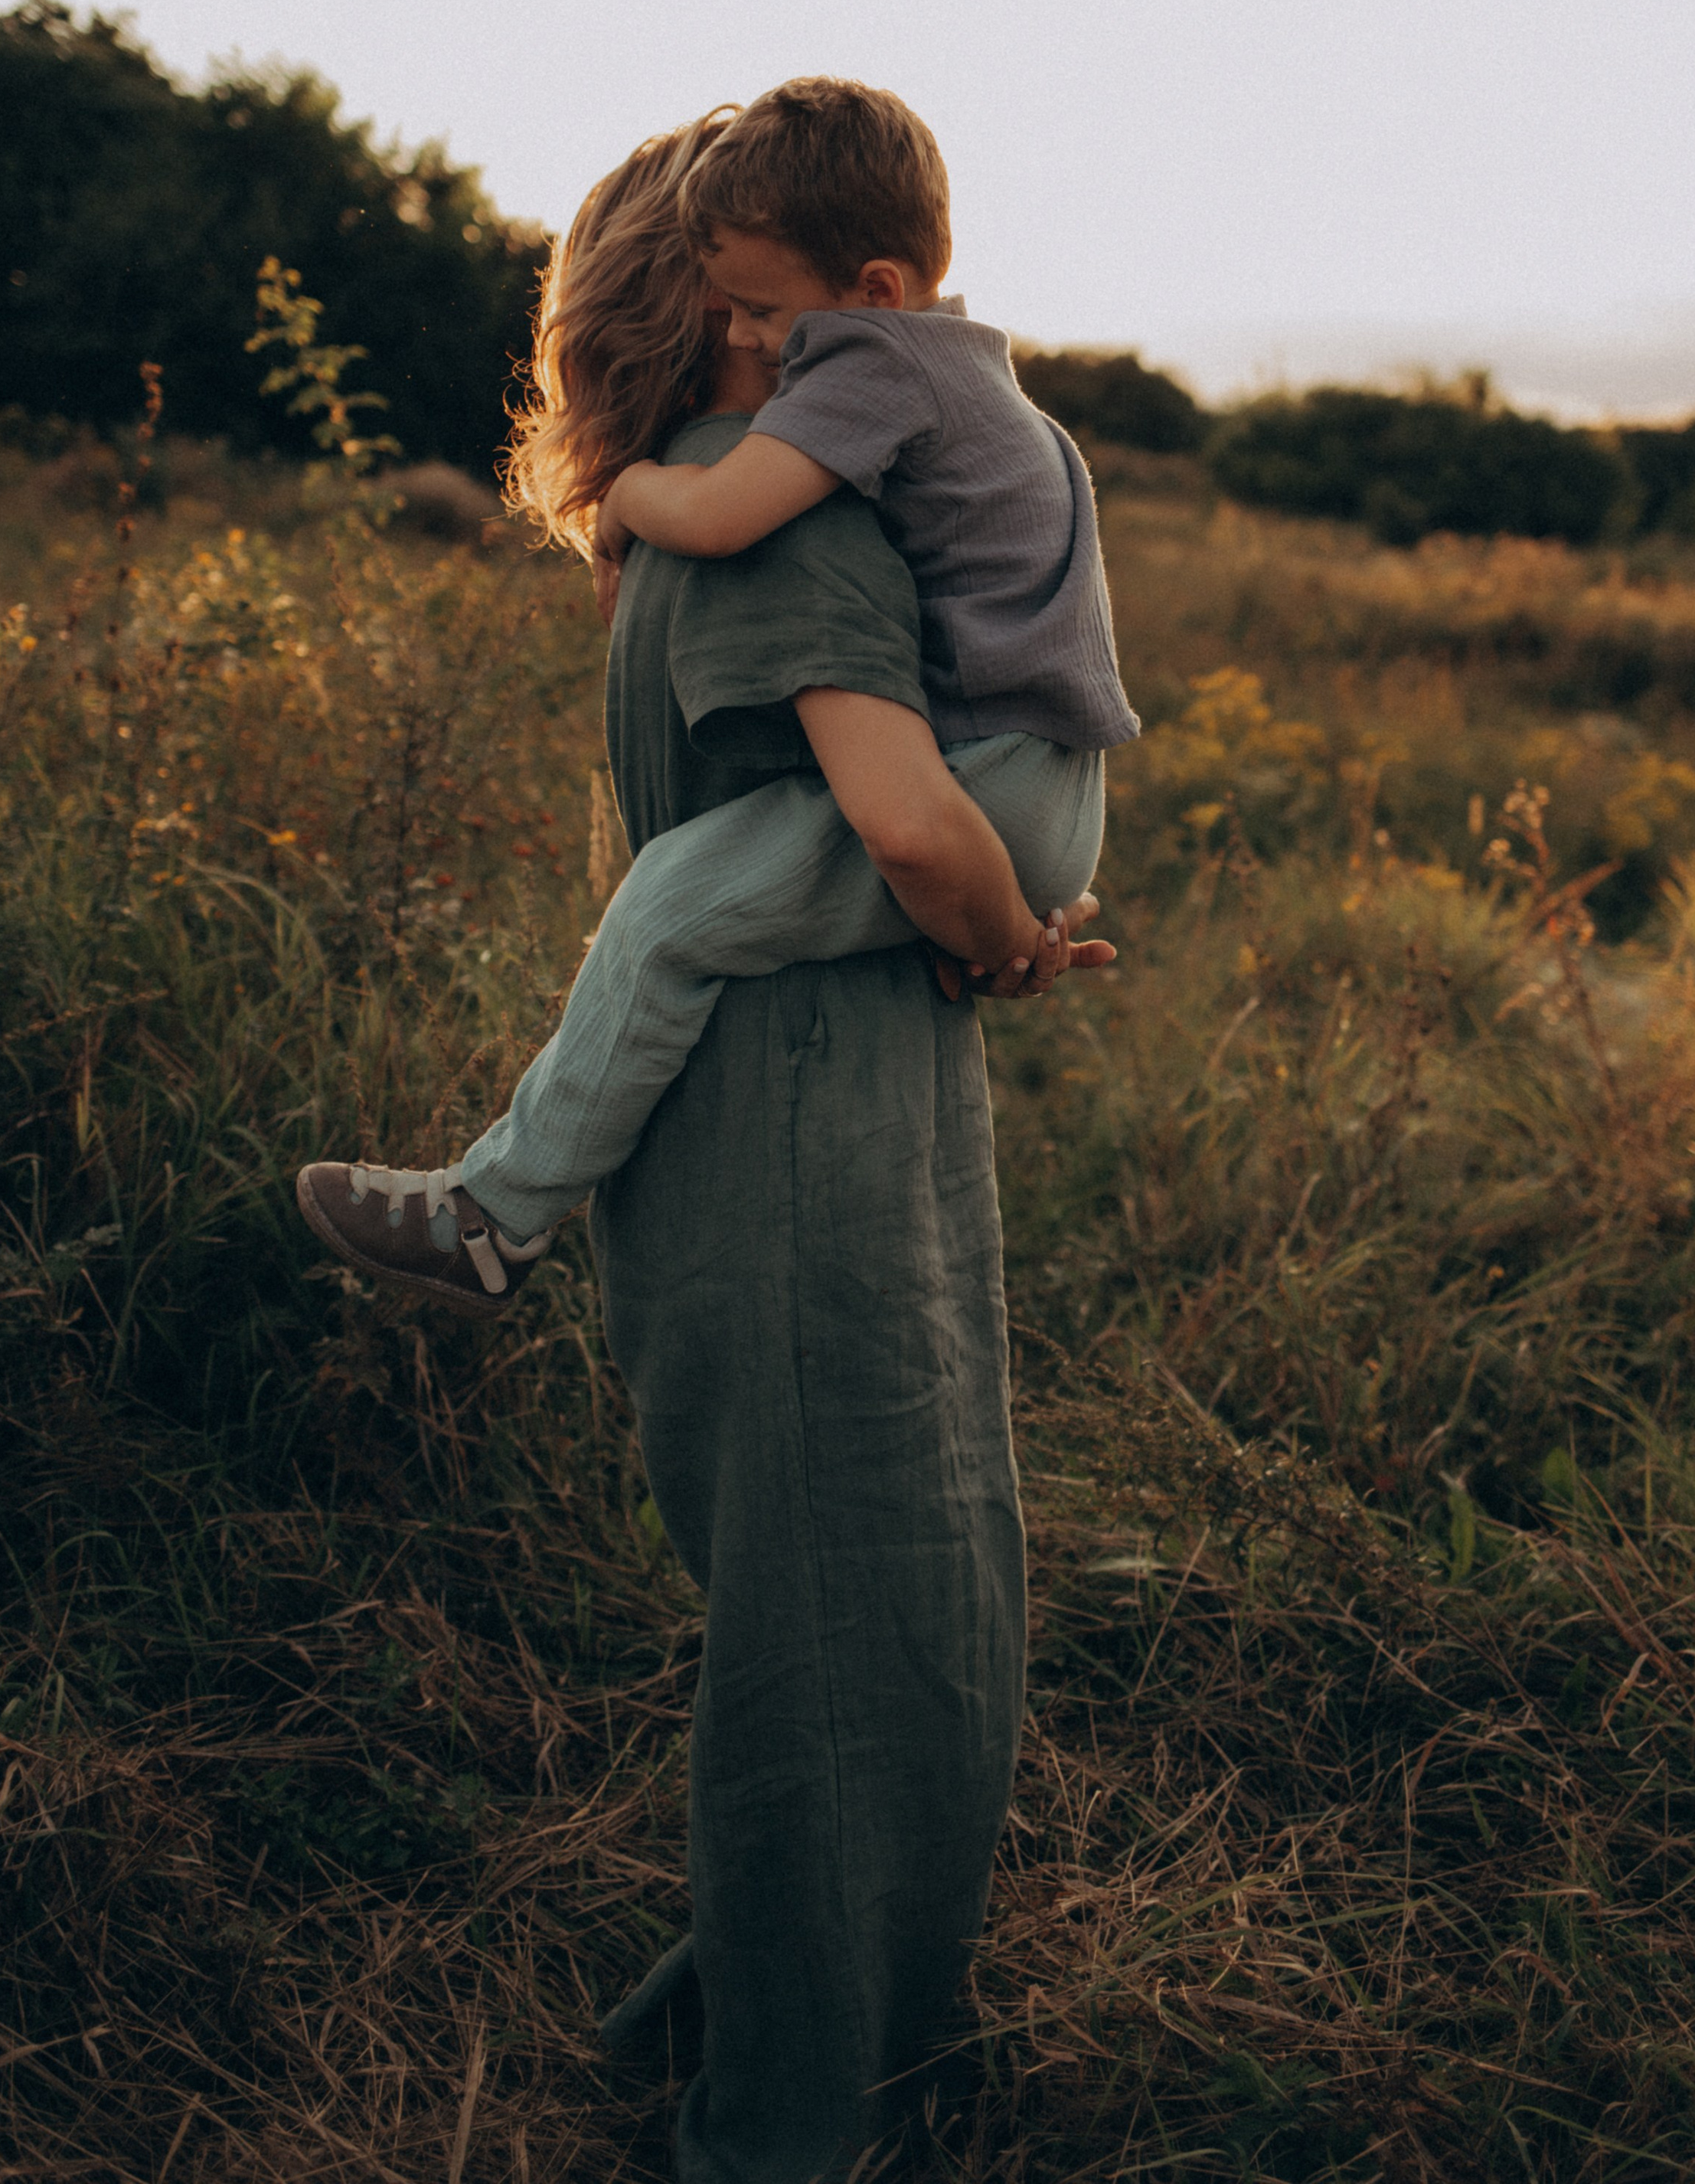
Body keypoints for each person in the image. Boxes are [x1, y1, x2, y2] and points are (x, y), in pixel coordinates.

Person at [299, 113, 1115, 2175]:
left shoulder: (777, 531)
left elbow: (895, 824)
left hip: (776, 1129)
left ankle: (776, 2052)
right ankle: (799, 2096)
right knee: (866, 1634)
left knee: (840, 1625)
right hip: (802, 1139)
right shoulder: (793, 533)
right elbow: (902, 829)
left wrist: (999, 931)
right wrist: (1011, 944)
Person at [297, 81, 1134, 1296]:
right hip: (1036, 792)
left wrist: (621, 500)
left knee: (667, 906)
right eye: (731, 308)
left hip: (967, 834)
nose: (746, 334)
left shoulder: (838, 421)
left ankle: (498, 1212)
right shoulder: (974, 383)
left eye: (760, 308)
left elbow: (905, 819)